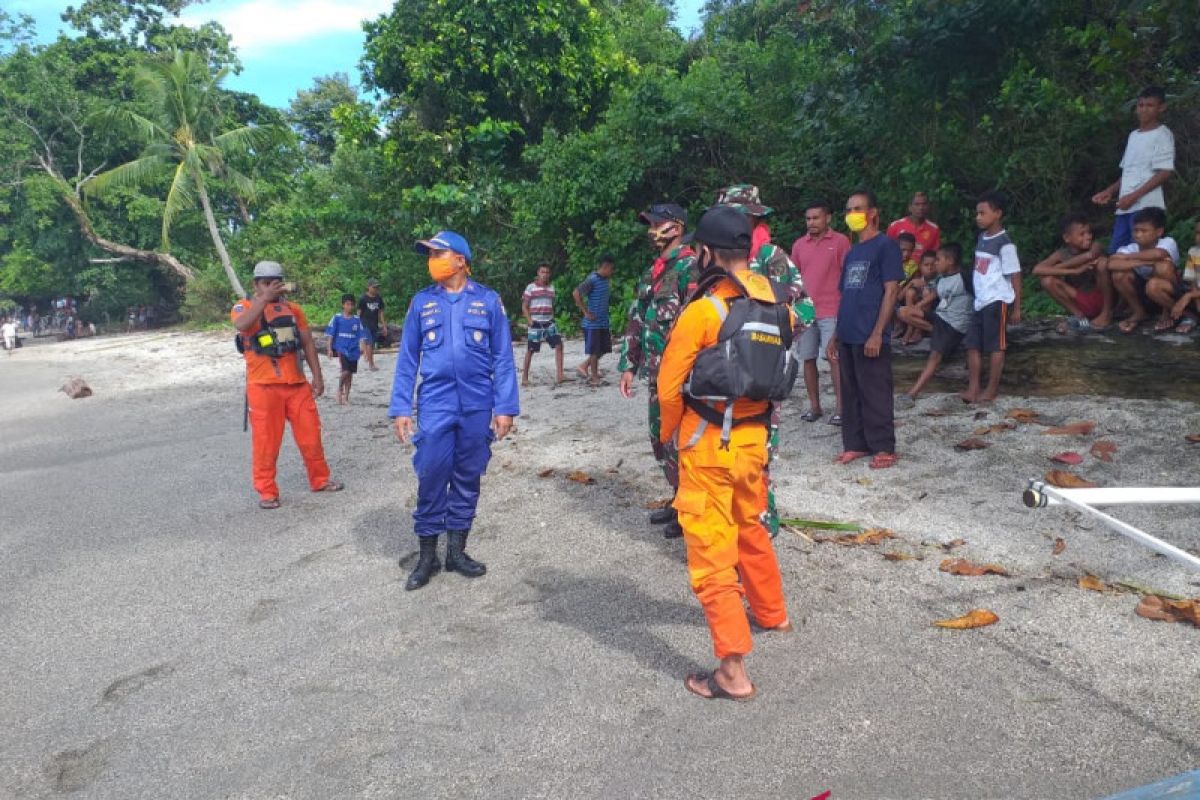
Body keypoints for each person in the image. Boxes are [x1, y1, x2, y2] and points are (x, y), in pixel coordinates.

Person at [657, 205, 793, 702]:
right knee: (751, 527)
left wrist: (670, 435)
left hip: (707, 445)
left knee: (712, 553)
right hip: (754, 441)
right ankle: (772, 613)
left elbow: (670, 388)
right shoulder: (779, 304)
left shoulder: (704, 309)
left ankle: (732, 671)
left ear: (708, 254)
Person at [390, 231, 519, 591]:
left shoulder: (489, 302)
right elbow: (407, 359)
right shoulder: (421, 303)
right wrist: (401, 406)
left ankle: (456, 553)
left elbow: (503, 358)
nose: (432, 260)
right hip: (435, 402)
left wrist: (505, 407)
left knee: (467, 474)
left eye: (438, 253)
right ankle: (427, 556)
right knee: (431, 472)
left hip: (477, 403)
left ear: (460, 259)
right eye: (430, 255)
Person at [715, 184, 806, 538]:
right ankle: (733, 530)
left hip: (761, 372)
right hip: (723, 371)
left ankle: (761, 532)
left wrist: (766, 330)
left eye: (742, 214)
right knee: (724, 454)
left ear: (754, 218)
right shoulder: (715, 256)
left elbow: (804, 306)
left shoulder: (771, 257)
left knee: (758, 454)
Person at [232, 260, 343, 509]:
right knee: (266, 442)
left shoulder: (293, 309)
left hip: (296, 385)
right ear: (256, 284)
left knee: (311, 436)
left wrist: (318, 376)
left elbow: (307, 344)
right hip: (263, 387)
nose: (272, 287)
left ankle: (320, 480)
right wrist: (263, 299)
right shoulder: (244, 306)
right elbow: (241, 325)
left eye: (275, 282)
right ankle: (267, 491)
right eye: (265, 283)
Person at [618, 203, 697, 539]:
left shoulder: (691, 267)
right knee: (661, 440)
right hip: (655, 372)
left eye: (657, 224)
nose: (652, 231)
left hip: (682, 376)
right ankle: (679, 499)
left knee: (683, 444)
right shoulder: (656, 269)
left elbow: (696, 323)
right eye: (650, 225)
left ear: (676, 227)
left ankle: (691, 511)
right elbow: (638, 317)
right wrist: (628, 364)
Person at [826, 190, 904, 469]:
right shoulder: (852, 252)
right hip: (848, 331)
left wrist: (877, 332)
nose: (852, 215)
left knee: (876, 390)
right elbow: (846, 294)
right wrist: (836, 334)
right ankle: (856, 443)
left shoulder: (886, 246)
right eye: (848, 210)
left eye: (858, 209)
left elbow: (891, 290)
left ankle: (883, 446)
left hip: (870, 332)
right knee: (851, 391)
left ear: (873, 213)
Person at [1091, 86, 1174, 253]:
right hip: (1125, 207)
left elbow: (1164, 172)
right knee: (1117, 254)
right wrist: (1109, 191)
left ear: (1161, 108)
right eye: (1141, 105)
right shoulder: (1133, 136)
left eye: (1150, 105)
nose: (1144, 109)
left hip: (1147, 207)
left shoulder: (1163, 134)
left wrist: (1134, 196)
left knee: (1140, 258)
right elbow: (1128, 173)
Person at [790, 198, 850, 425]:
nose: (811, 222)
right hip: (805, 310)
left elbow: (847, 275)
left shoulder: (841, 242)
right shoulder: (799, 245)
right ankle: (815, 407)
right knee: (807, 358)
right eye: (808, 218)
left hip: (832, 308)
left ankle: (841, 409)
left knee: (834, 358)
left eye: (816, 218)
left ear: (828, 218)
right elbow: (794, 278)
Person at [962, 191, 1023, 404]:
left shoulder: (1005, 244)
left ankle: (992, 389)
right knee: (972, 344)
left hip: (997, 300)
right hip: (980, 301)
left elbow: (1015, 275)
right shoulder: (981, 238)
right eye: (977, 213)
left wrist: (1016, 308)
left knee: (996, 346)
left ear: (997, 214)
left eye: (982, 213)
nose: (978, 217)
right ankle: (974, 386)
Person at [904, 244, 972, 400]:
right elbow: (934, 294)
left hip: (954, 324)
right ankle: (933, 330)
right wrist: (916, 307)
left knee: (934, 357)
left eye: (938, 260)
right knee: (903, 312)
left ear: (950, 261)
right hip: (940, 317)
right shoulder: (942, 278)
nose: (935, 264)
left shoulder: (964, 277)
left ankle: (912, 393)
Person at [1031, 214, 1112, 334]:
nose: (1088, 237)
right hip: (1080, 298)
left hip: (1101, 296)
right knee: (1047, 281)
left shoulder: (1095, 246)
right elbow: (1037, 270)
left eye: (1089, 233)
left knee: (1102, 264)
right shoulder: (1061, 253)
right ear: (1067, 238)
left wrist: (1058, 267)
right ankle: (1079, 316)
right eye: (1082, 234)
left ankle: (1106, 313)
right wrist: (1074, 271)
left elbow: (1089, 256)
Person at [1106, 207, 1180, 333]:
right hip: (1142, 294)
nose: (1138, 234)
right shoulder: (1130, 248)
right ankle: (1138, 312)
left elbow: (1158, 254)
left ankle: (1167, 311)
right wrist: (1144, 262)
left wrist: (1127, 258)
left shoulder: (1167, 242)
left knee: (1162, 267)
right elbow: (1111, 264)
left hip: (1167, 291)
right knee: (1119, 274)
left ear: (1159, 231)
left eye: (1144, 231)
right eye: (1136, 230)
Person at [572, 255, 615, 386]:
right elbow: (576, 293)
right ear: (605, 267)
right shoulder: (592, 279)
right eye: (611, 269)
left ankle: (584, 366)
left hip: (603, 321)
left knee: (603, 349)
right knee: (595, 351)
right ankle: (595, 377)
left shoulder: (606, 280)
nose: (612, 272)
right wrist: (586, 312)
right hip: (592, 323)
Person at [521, 263, 565, 386]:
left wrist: (553, 317)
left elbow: (551, 305)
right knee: (531, 350)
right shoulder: (531, 288)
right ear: (538, 273)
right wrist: (529, 321)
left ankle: (560, 375)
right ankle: (524, 378)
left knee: (559, 345)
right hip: (536, 322)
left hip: (549, 322)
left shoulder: (551, 288)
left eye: (547, 272)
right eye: (542, 272)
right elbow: (524, 306)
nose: (545, 275)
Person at [325, 293, 365, 404]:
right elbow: (330, 334)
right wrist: (329, 349)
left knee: (350, 373)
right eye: (347, 304)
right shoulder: (337, 318)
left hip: (353, 349)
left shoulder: (357, 320)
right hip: (341, 348)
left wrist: (363, 347)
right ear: (343, 305)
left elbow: (361, 335)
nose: (350, 307)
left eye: (352, 305)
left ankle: (346, 396)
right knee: (345, 371)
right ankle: (339, 390)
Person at [897, 250, 939, 344]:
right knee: (910, 292)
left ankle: (918, 330)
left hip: (933, 310)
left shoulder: (939, 278)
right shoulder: (920, 279)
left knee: (926, 293)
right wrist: (911, 283)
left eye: (933, 265)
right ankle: (910, 327)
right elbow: (899, 297)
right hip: (917, 309)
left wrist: (917, 306)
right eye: (926, 265)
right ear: (920, 266)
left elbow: (934, 295)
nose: (930, 268)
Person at [887, 191, 942, 262]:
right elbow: (887, 251)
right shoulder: (895, 226)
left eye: (924, 204)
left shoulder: (934, 229)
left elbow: (935, 255)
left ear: (928, 206)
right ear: (910, 207)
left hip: (923, 271)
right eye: (917, 204)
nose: (921, 208)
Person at [1168, 220, 1200, 333]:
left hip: (1194, 294)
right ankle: (1191, 316)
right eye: (1197, 233)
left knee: (1186, 296)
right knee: (1177, 289)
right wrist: (1195, 299)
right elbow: (1192, 280)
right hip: (1197, 293)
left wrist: (1189, 296)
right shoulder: (1194, 252)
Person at [357, 279, 387, 371]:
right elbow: (359, 312)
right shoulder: (363, 299)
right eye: (374, 287)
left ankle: (366, 354)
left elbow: (381, 312)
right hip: (365, 324)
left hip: (374, 324)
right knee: (369, 343)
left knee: (372, 343)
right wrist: (357, 324)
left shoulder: (378, 298)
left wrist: (384, 325)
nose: (376, 289)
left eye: (377, 287)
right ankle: (371, 364)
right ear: (369, 287)